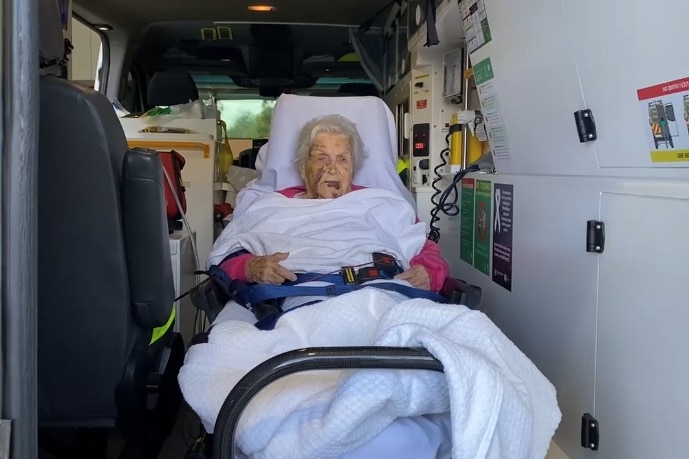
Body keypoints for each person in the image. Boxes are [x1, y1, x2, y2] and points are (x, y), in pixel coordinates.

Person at [218, 114, 450, 291]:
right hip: (299, 298)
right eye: (321, 158)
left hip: (380, 294)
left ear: (353, 167)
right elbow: (226, 258)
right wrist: (251, 268)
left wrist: (429, 272)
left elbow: (424, 248)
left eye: (342, 159)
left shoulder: (382, 203)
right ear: (302, 167)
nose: (331, 168)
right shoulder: (271, 207)